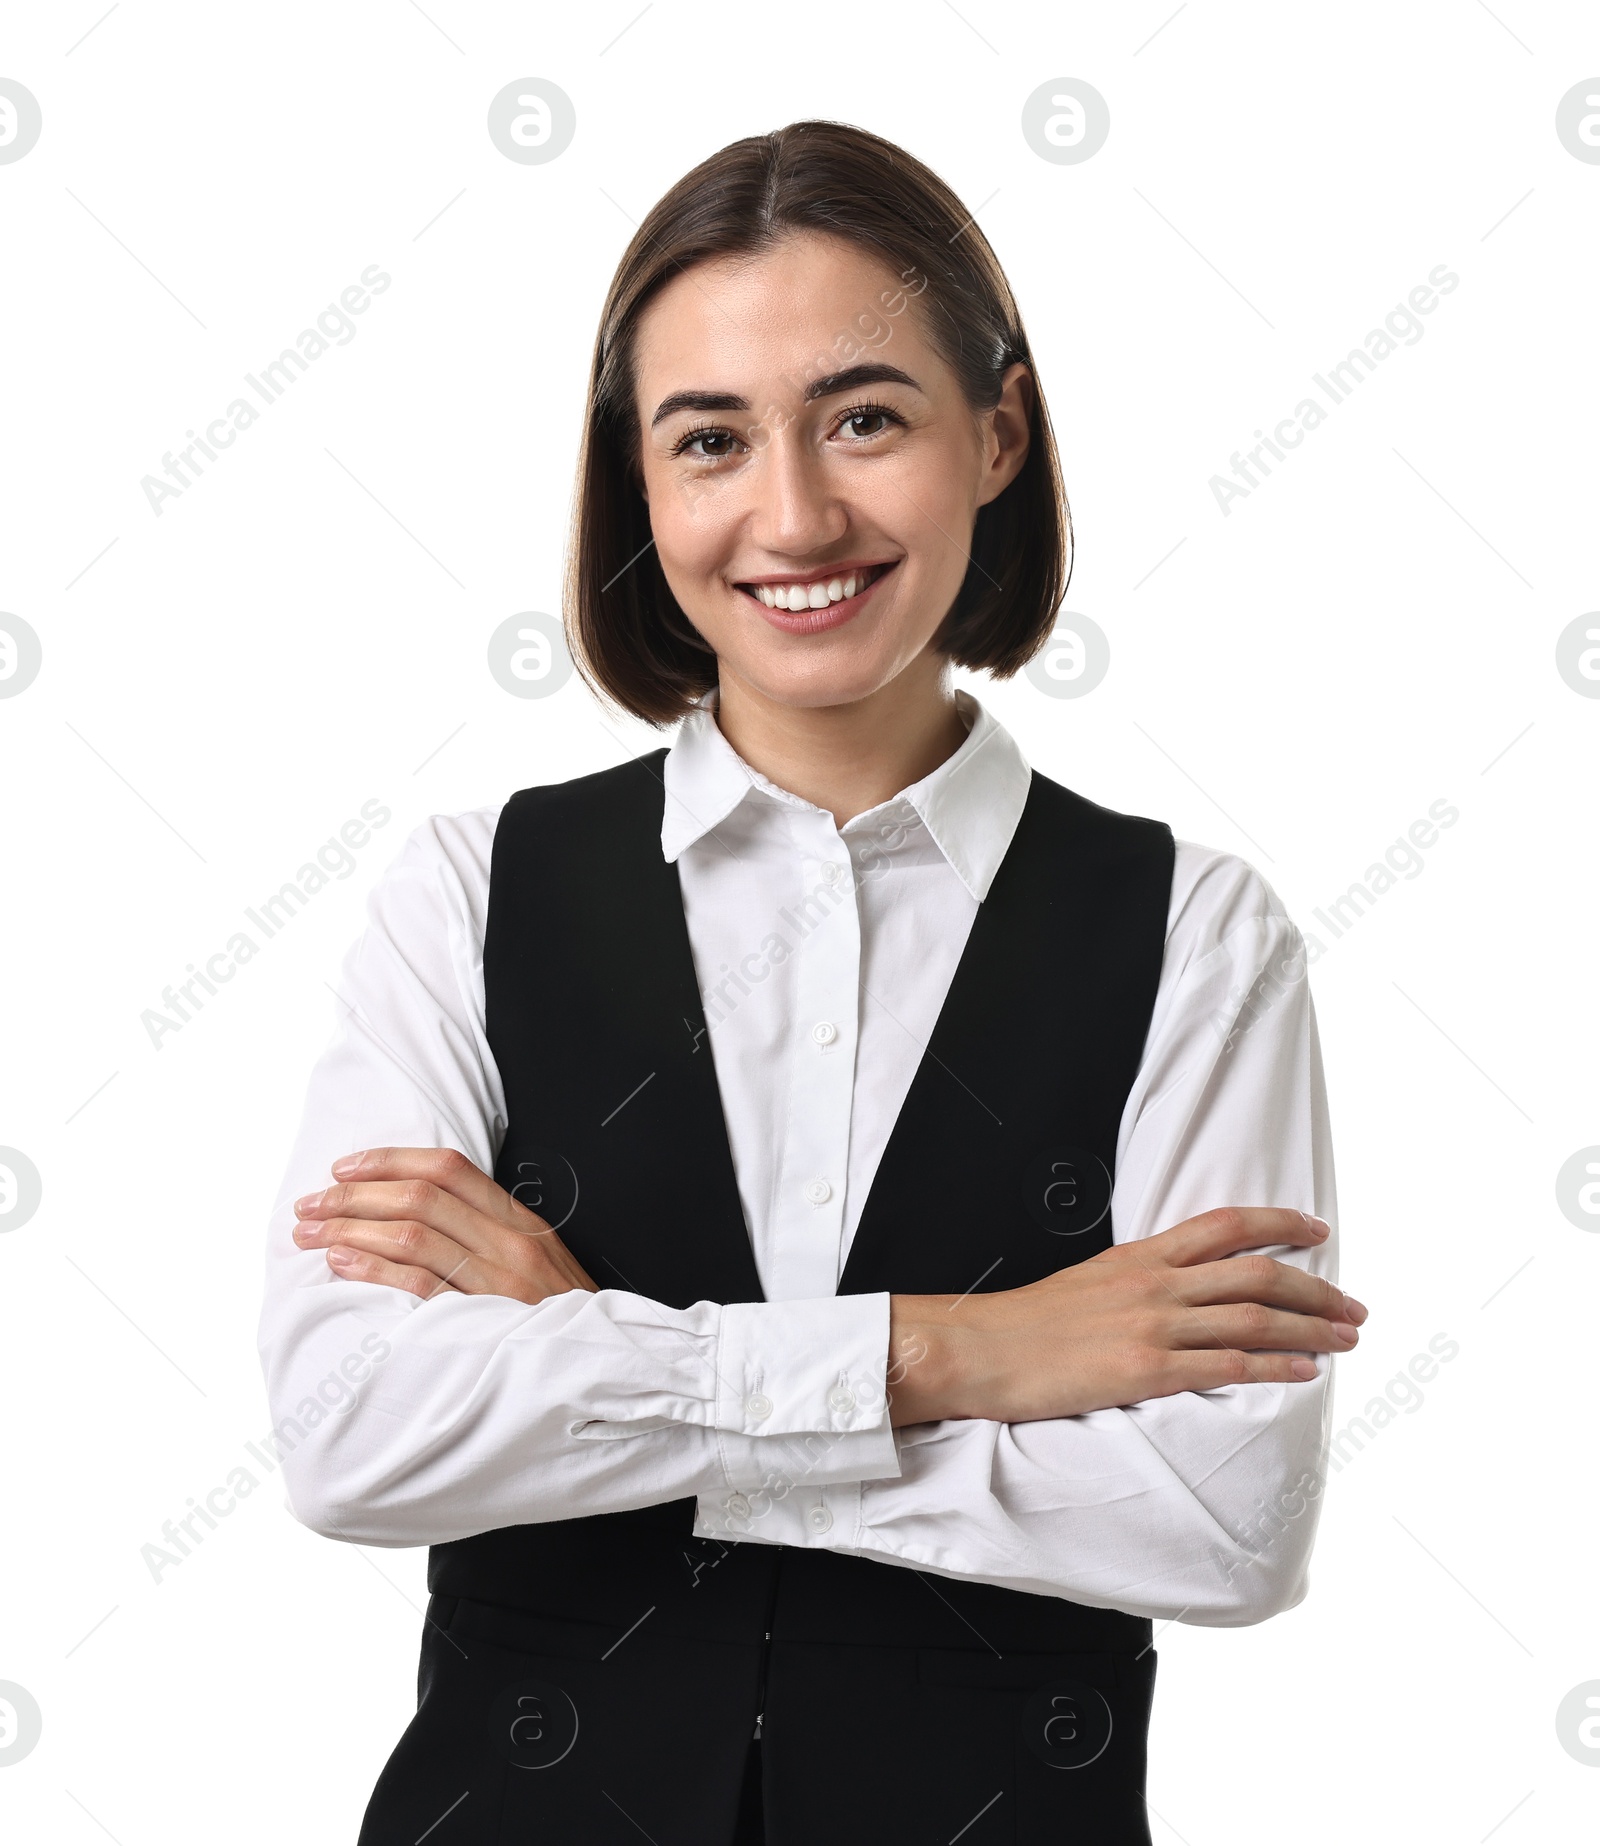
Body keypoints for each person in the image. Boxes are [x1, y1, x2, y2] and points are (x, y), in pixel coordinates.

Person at [257, 119, 1361, 1846]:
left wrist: (585, 1366)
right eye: (710, 440)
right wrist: (965, 1353)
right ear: (642, 483)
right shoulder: (466, 893)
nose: (794, 514)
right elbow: (353, 1438)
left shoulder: (1197, 934)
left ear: (995, 435)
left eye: (864, 417)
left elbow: (1218, 1522)